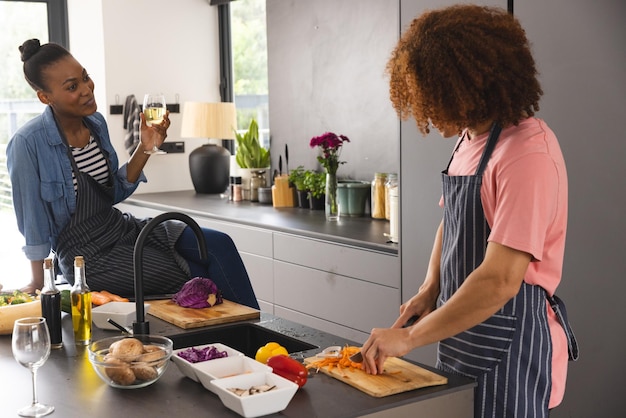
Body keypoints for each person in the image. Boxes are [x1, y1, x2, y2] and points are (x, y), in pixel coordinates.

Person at [359, 5, 578, 417]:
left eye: (432, 99)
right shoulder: (471, 139)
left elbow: (499, 280)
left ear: (467, 88)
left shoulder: (526, 155)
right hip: (461, 331)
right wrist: (431, 286)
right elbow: (455, 222)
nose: (425, 113)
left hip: (510, 344)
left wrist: (408, 339)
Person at [7, 39, 259, 309]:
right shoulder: (28, 143)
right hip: (86, 257)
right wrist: (38, 281)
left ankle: (261, 338)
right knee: (197, 279)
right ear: (45, 97)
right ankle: (245, 344)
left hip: (122, 228)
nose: (86, 89)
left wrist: (145, 147)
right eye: (72, 86)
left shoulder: (95, 124)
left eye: (85, 77)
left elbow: (113, 191)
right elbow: (32, 221)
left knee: (218, 245)